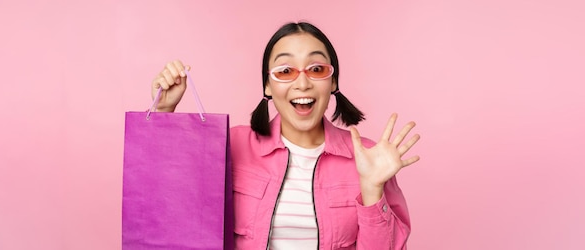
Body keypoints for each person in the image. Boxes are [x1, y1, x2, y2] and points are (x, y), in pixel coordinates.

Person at [150, 22, 420, 250]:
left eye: (316, 69)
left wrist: (372, 190)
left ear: (333, 81)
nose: (302, 83)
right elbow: (171, 201)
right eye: (285, 71)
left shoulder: (368, 157)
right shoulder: (231, 146)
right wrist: (164, 111)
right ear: (267, 85)